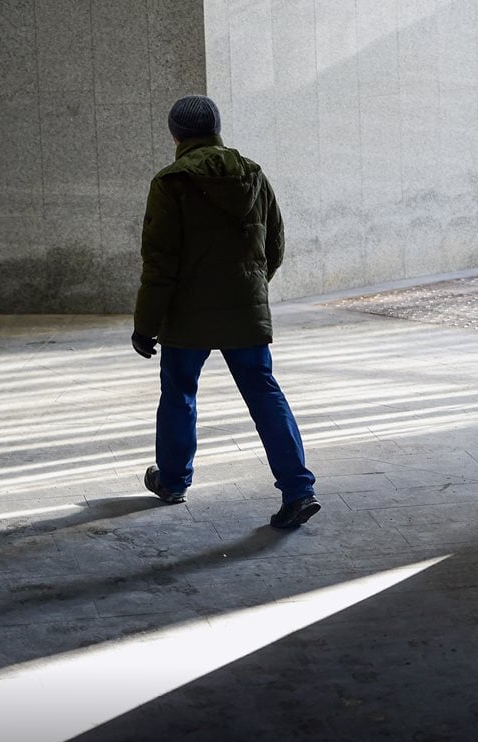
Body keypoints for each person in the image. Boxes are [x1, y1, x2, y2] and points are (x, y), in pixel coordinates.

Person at [131, 95, 319, 530]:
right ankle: (298, 490)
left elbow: (160, 262)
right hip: (244, 312)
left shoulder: (170, 182)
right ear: (217, 127)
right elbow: (274, 246)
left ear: (176, 134)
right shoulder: (252, 174)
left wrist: (146, 325)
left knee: (179, 392)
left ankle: (173, 480)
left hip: (186, 316)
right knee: (264, 394)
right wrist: (245, 289)